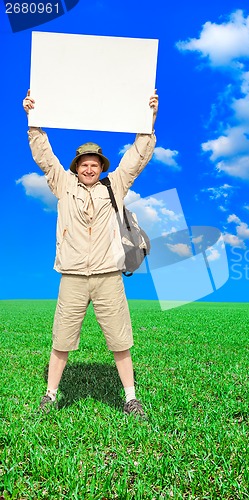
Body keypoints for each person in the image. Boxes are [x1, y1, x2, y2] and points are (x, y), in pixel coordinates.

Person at [23, 89, 159, 417]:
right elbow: (44, 156)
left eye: (93, 163)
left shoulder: (115, 185)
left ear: (100, 166)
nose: (88, 168)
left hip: (108, 276)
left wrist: (149, 119)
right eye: (83, 164)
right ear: (76, 167)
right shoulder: (63, 183)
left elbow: (136, 158)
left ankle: (130, 398)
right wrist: (33, 121)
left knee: (119, 339)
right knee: (62, 338)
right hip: (72, 275)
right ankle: (51, 394)